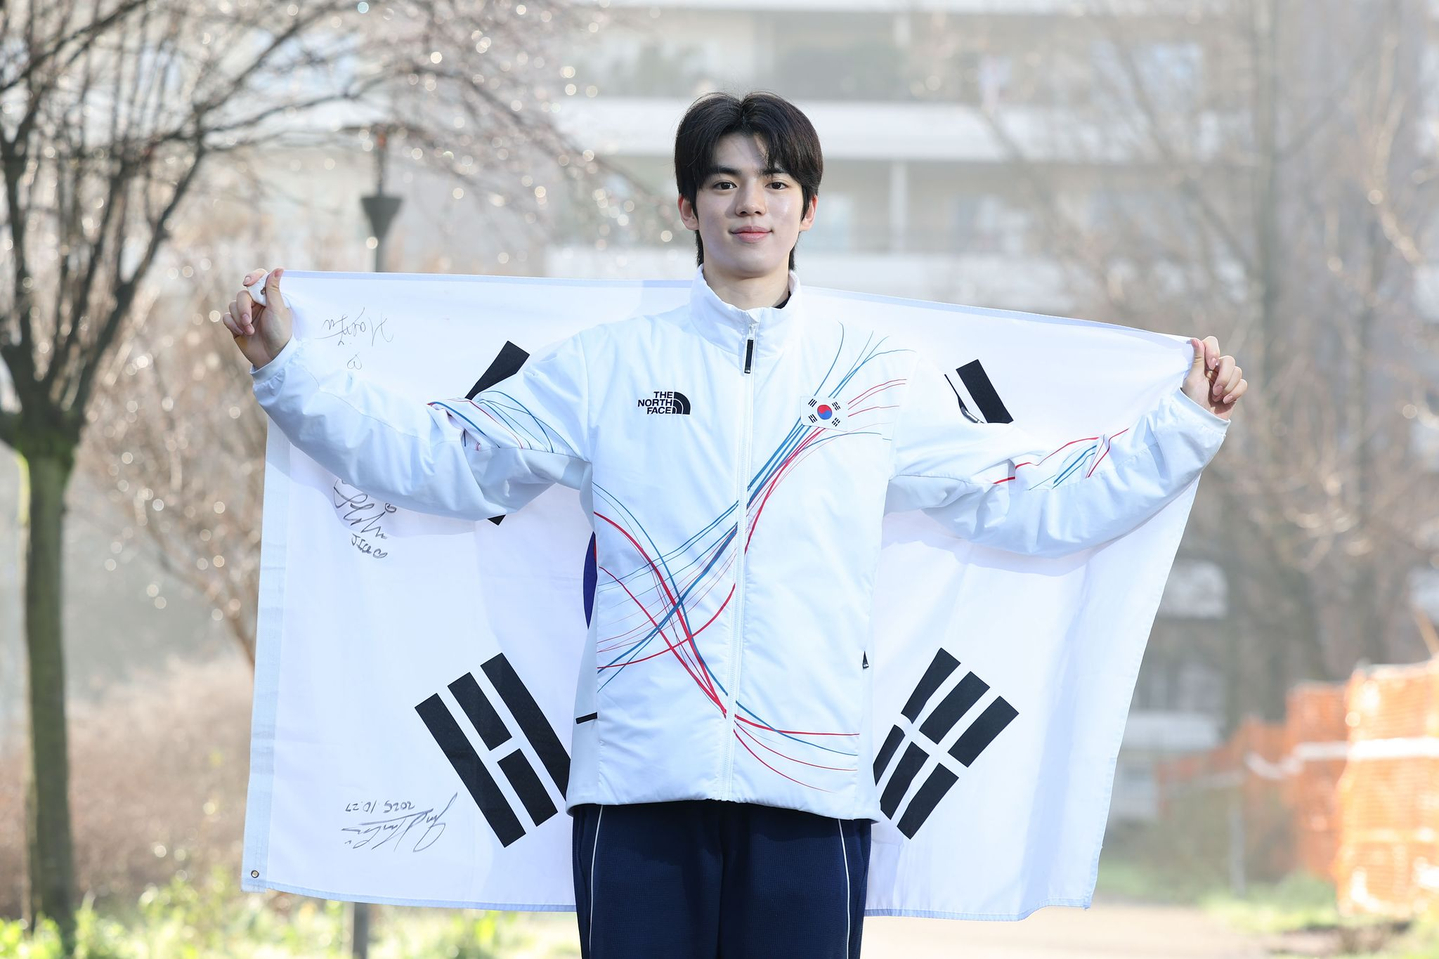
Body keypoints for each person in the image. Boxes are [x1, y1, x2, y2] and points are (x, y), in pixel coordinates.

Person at [222, 91, 1247, 959]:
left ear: (807, 209)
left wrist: (1183, 427)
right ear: (687, 205)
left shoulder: (874, 376)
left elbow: (1028, 497)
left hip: (811, 790)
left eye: (773, 183)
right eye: (722, 182)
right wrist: (289, 370)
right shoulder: (610, 365)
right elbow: (445, 458)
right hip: (637, 786)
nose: (748, 203)